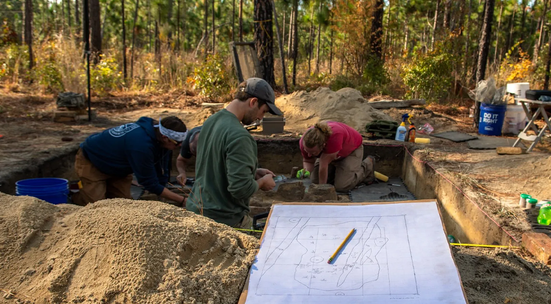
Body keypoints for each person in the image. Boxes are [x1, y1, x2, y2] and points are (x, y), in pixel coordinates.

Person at [186, 78, 281, 228]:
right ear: (253, 102)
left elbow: (215, 164)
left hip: (198, 210)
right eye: (263, 112)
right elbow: (241, 189)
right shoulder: (239, 136)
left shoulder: (211, 121)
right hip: (224, 220)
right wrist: (262, 182)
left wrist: (251, 172)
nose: (260, 118)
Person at [73, 116, 189, 206]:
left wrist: (163, 186)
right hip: (93, 160)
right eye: (177, 143)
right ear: (165, 138)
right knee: (96, 206)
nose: (179, 146)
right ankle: (75, 199)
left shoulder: (161, 136)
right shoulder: (141, 146)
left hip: (118, 167)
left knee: (124, 204)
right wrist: (182, 200)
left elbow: (162, 166)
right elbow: (149, 183)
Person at [299, 121, 374, 192]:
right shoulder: (306, 142)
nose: (309, 154)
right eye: (307, 151)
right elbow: (308, 160)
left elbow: (323, 166)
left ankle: (368, 164)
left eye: (313, 152)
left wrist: (321, 190)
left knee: (342, 186)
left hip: (351, 149)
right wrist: (306, 172)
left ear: (323, 146)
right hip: (332, 154)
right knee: (315, 180)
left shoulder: (334, 137)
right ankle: (338, 173)